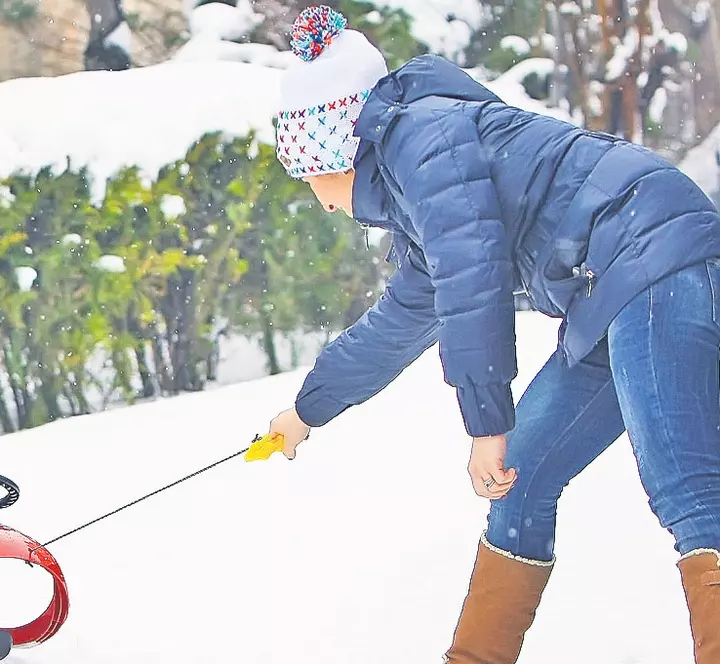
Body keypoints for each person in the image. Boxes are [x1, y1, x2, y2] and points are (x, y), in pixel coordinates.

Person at [265, 6, 720, 663]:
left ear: (335, 146)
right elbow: (396, 325)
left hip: (650, 253)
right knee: (522, 478)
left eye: (308, 175)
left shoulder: (424, 140)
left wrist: (485, 420)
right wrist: (305, 412)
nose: (316, 195)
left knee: (687, 487)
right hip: (603, 290)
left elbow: (471, 277)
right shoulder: (417, 188)